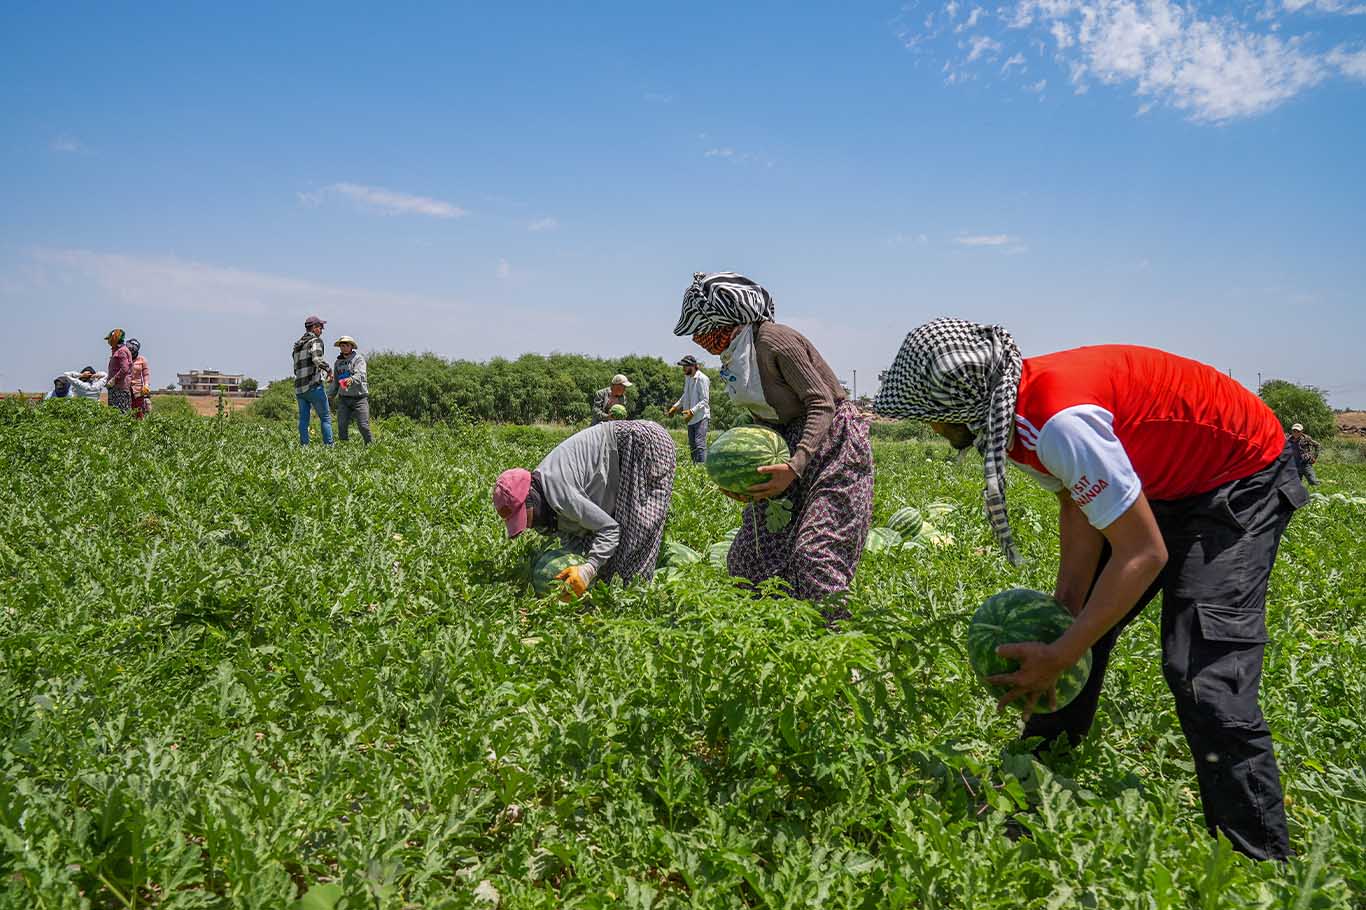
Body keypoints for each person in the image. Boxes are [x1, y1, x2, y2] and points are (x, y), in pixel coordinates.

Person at [873, 317, 1306, 862]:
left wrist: (1060, 652)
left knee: (1202, 674)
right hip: (1165, 475)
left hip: (1237, 476)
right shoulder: (1017, 409)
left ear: (961, 409)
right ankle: (1033, 794)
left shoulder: (1058, 423)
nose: (933, 429)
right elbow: (1078, 503)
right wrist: (1066, 616)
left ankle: (1257, 859)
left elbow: (1144, 553)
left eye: (933, 418)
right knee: (1081, 628)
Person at [672, 272, 873, 611]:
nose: (697, 338)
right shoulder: (737, 356)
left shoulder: (775, 342)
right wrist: (749, 479)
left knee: (815, 554)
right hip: (784, 445)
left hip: (832, 442)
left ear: (727, 318)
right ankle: (774, 634)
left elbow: (821, 403)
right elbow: (764, 418)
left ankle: (837, 646)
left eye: (702, 326)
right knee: (750, 557)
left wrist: (795, 466)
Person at [491, 419, 677, 595]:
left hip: (644, 444)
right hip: (624, 453)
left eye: (524, 516)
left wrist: (588, 569)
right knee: (607, 556)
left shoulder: (560, 491)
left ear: (530, 499)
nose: (528, 525)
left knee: (636, 537)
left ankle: (637, 606)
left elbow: (610, 529)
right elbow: (573, 536)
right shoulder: (546, 499)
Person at [293, 315, 334, 446]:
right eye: (320, 327)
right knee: (326, 418)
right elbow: (317, 359)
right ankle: (329, 447)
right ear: (314, 328)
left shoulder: (297, 346)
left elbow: (295, 369)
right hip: (313, 386)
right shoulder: (315, 341)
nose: (322, 330)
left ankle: (304, 447)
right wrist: (328, 370)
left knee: (304, 420)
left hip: (299, 388)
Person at [667, 354, 711, 463]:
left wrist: (692, 411)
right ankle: (695, 468)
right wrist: (675, 406)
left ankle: (701, 470)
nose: (683, 369)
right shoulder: (688, 378)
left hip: (701, 417)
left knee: (699, 443)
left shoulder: (702, 379)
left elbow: (705, 400)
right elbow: (685, 395)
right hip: (690, 418)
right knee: (692, 445)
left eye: (685, 366)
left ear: (692, 366)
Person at [330, 335, 371, 444]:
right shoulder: (337, 363)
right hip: (344, 399)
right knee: (341, 425)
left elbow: (361, 374)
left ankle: (371, 446)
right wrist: (330, 395)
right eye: (341, 345)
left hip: (359, 398)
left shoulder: (358, 359)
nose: (343, 347)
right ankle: (345, 449)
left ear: (351, 346)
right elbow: (336, 382)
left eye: (346, 345)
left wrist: (351, 379)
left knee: (363, 425)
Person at [104, 328, 133, 414]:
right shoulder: (118, 350)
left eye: (110, 339)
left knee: (119, 414)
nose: (108, 341)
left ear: (115, 338)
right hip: (116, 387)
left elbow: (125, 369)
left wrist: (114, 380)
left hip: (119, 388)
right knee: (116, 413)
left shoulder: (121, 351)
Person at [127, 338, 151, 419]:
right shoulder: (124, 358)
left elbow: (146, 374)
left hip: (138, 389)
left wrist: (146, 385)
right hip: (125, 388)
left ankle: (139, 428)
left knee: (138, 410)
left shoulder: (142, 360)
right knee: (127, 410)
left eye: (132, 349)